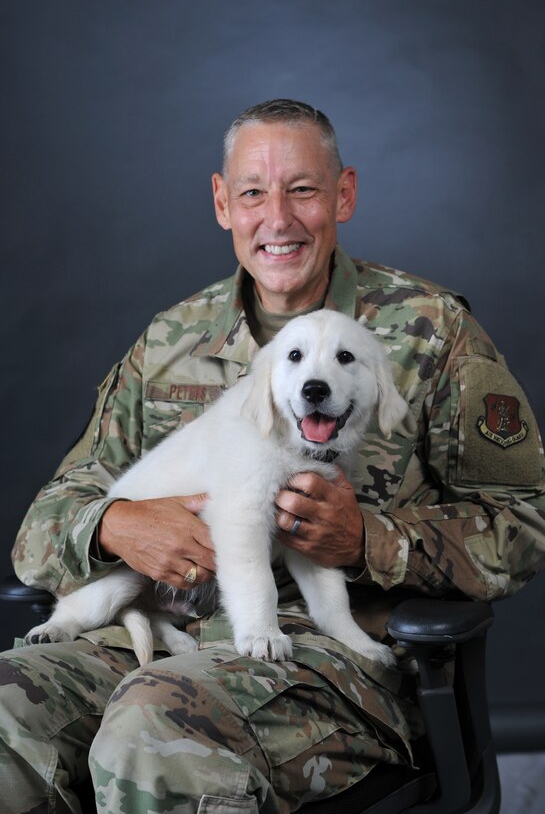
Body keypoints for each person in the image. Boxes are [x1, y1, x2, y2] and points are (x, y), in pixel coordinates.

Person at [1, 98, 545, 814]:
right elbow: (42, 532)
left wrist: (369, 541)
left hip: (333, 664)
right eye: (253, 192)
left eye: (303, 189)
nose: (277, 219)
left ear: (342, 194)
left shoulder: (430, 332)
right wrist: (113, 526)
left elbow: (524, 522)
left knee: (154, 726)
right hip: (157, 632)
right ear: (223, 203)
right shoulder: (170, 341)